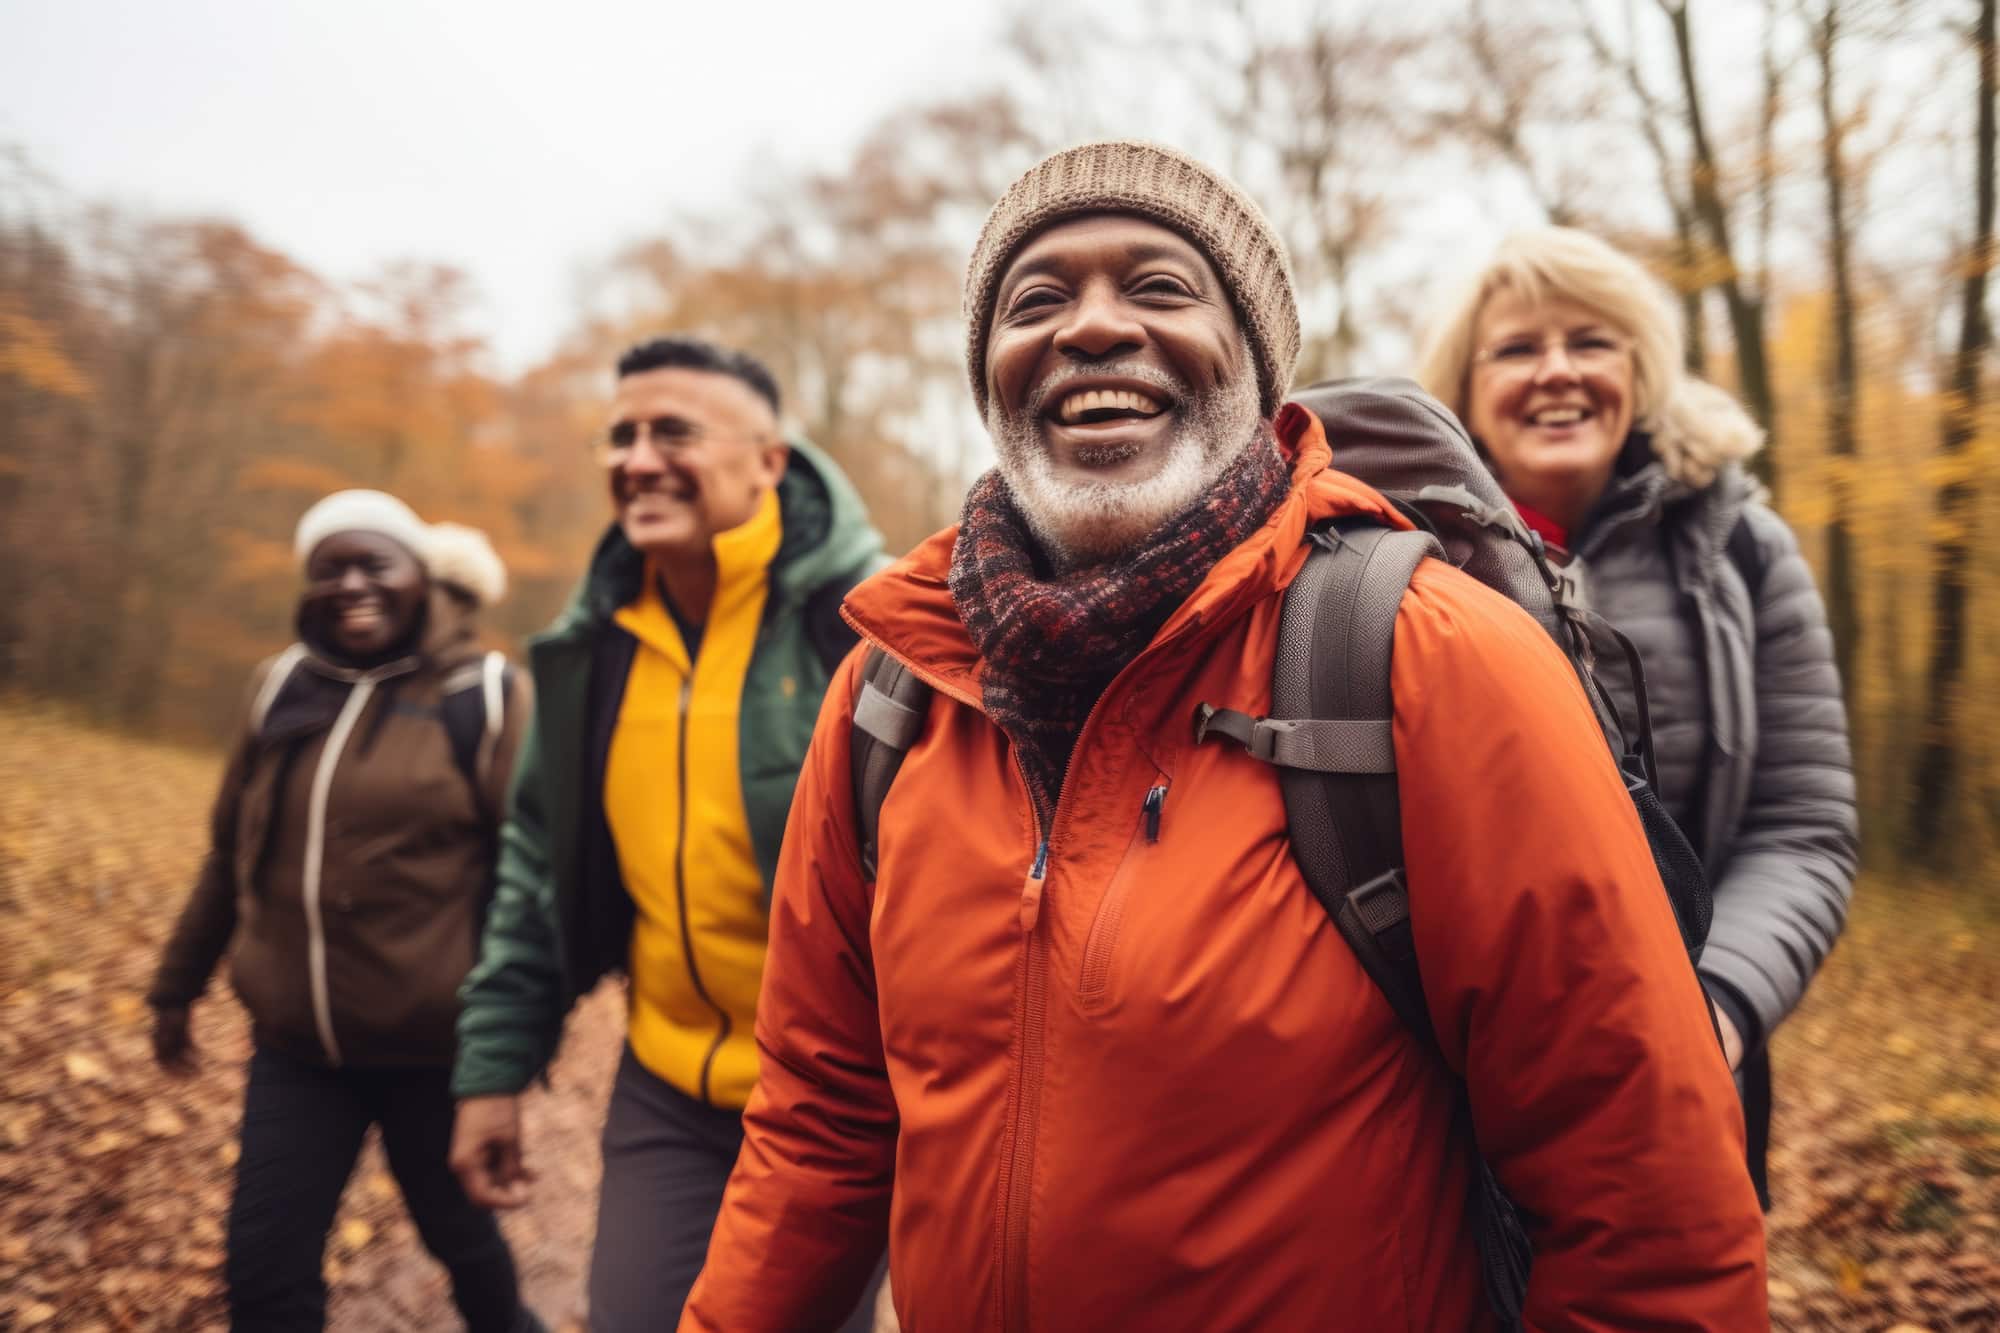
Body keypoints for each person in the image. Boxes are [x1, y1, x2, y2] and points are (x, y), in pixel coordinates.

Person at [679, 142, 1769, 1332]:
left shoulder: (1432, 659)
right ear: (987, 379)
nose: (1090, 330)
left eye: (1158, 287)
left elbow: (1643, 1197)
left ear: (1254, 362)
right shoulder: (888, 694)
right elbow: (816, 1131)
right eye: (1034, 300)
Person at [446, 337, 888, 1331]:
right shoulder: (591, 649)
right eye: (621, 437)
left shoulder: (871, 627)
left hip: (838, 1105)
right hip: (666, 1089)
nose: (637, 459)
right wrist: (494, 1066)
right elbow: (534, 864)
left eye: (672, 432)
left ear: (768, 460)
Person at [1414, 226, 1859, 1204]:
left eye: (1591, 341)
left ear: (1639, 367)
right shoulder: (1389, 553)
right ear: (1462, 384)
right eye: (1517, 348)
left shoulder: (1743, 549)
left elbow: (1803, 828)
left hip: (1691, 1081)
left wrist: (1710, 1014)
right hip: (1441, 1096)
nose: (1556, 371)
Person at [148, 491, 538, 1332]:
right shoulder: (281, 685)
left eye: (375, 564)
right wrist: (174, 987)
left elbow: (528, 883)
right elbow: (231, 854)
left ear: (421, 578)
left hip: (434, 1053)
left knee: (464, 1245)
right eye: (331, 569)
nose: (353, 584)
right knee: (262, 1273)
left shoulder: (489, 696)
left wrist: (505, 1056)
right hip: (297, 1052)